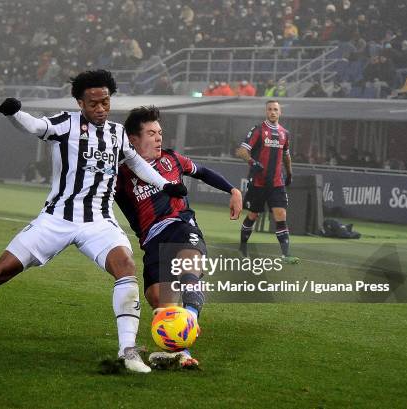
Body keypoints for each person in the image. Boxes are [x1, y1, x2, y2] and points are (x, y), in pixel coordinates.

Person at [0, 70, 188, 374]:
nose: (101, 108)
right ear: (80, 102)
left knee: (125, 268)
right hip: (56, 219)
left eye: (105, 101)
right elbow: (37, 126)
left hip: (99, 222)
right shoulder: (66, 123)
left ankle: (128, 351)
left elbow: (136, 162)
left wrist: (165, 185)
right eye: (93, 103)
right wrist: (14, 113)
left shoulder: (117, 133)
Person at [115, 106, 242, 368]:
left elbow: (203, 172)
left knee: (189, 273)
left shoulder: (172, 159)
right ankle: (173, 350)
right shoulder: (120, 174)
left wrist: (233, 190)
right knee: (159, 301)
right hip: (152, 241)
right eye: (151, 133)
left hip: (182, 226)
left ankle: (189, 328)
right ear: (133, 139)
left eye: (160, 132)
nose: (159, 137)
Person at [235, 100, 299, 264]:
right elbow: (241, 151)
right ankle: (243, 246)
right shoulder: (258, 130)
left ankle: (286, 254)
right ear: (266, 112)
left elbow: (286, 155)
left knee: (281, 214)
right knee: (253, 215)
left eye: (275, 110)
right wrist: (252, 162)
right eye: (270, 109)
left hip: (277, 183)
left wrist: (290, 173)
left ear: (280, 112)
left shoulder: (285, 133)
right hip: (259, 182)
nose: (272, 112)